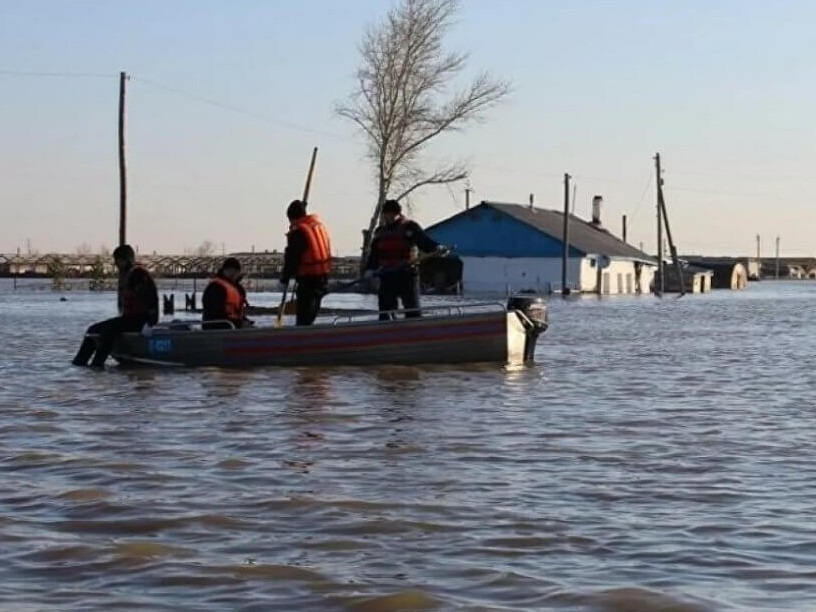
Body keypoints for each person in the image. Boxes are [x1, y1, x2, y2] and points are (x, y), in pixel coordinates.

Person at [72, 244, 158, 367]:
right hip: (131, 318)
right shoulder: (130, 274)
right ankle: (80, 363)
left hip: (140, 320)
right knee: (92, 330)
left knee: (109, 330)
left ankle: (97, 364)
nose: (116, 264)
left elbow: (150, 298)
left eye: (117, 260)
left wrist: (150, 323)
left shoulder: (138, 274)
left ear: (125, 259)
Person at [365, 199, 446, 321]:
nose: (386, 218)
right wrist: (370, 269)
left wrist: (437, 248)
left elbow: (424, 242)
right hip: (387, 274)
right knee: (385, 311)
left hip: (407, 273)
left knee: (412, 310)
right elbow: (374, 255)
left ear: (396, 214)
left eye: (389, 215)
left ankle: (414, 332)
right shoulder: (380, 232)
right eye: (384, 215)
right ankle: (386, 332)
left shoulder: (410, 227)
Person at [279, 199, 332, 326]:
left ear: (292, 218)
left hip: (308, 280)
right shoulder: (318, 226)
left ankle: (302, 336)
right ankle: (307, 333)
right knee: (311, 314)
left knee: (304, 316)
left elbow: (292, 257)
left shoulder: (299, 232)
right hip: (322, 278)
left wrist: (285, 277)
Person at [202, 257, 252, 330]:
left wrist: (245, 321)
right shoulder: (215, 287)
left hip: (232, 327)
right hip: (218, 328)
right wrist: (239, 323)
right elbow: (214, 313)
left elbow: (237, 312)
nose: (238, 275)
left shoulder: (237, 288)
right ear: (232, 270)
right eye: (237, 272)